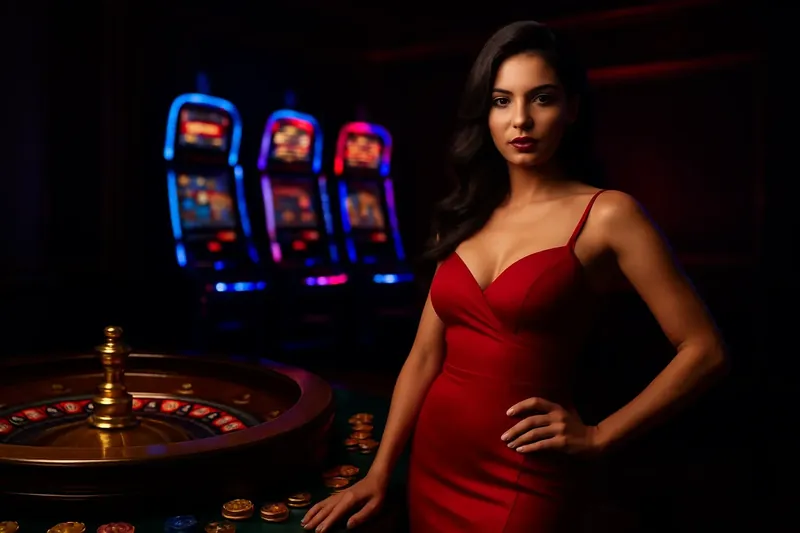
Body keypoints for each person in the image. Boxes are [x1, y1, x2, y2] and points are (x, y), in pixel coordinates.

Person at [302, 20, 728, 533]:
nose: (520, 119)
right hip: (434, 466)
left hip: (524, 476)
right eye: (502, 100)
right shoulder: (463, 214)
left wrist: (599, 435)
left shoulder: (608, 215)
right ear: (485, 112)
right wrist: (379, 472)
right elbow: (423, 357)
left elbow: (705, 350)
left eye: (541, 98)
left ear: (571, 107)